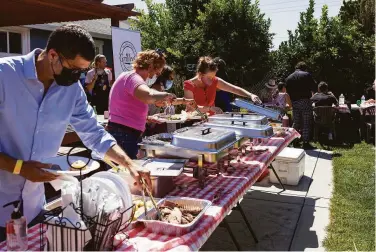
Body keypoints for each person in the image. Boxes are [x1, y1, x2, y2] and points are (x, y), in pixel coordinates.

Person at [0, 24, 149, 242]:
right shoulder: (4, 76)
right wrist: (18, 167)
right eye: (74, 69)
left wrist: (128, 163)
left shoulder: (71, 89)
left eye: (82, 70)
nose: (78, 76)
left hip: (32, 207)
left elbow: (94, 134)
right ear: (53, 55)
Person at [108, 50, 194, 159]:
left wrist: (147, 118)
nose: (154, 76)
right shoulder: (133, 78)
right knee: (125, 172)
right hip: (124, 135)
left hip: (126, 133)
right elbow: (149, 95)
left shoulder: (130, 78)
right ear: (150, 66)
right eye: (156, 72)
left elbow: (129, 109)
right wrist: (165, 95)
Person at [184, 56, 261, 114]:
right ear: (200, 74)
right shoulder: (189, 85)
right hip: (193, 122)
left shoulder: (215, 81)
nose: (212, 80)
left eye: (213, 76)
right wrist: (209, 108)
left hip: (211, 120)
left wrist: (250, 95)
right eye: (209, 78)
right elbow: (191, 108)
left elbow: (234, 89)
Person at [145, 65, 194, 135]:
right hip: (152, 134)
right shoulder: (152, 94)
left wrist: (185, 101)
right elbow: (164, 102)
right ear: (162, 78)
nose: (171, 81)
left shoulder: (163, 94)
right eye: (170, 78)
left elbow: (172, 101)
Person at [285, 61, 317, 149]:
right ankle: (306, 142)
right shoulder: (306, 75)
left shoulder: (289, 78)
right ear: (304, 68)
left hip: (294, 102)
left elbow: (287, 92)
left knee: (296, 122)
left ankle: (293, 140)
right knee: (306, 122)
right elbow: (314, 87)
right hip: (305, 101)